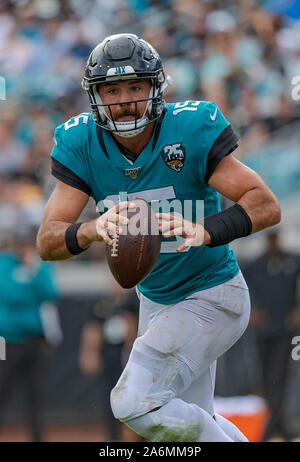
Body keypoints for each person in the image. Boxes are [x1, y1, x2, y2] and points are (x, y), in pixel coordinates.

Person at [37, 33, 281, 442]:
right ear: (95, 96)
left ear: (156, 87)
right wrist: (93, 229)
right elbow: (47, 239)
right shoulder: (81, 143)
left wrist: (207, 230)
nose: (125, 99)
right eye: (112, 89)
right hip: (155, 300)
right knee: (186, 422)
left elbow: (265, 203)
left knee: (134, 402)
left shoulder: (189, 127)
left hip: (212, 294)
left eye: (135, 86)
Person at [0, 224, 60, 442]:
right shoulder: (4, 263)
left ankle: (37, 437)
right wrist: (29, 288)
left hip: (33, 338)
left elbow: (51, 292)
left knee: (34, 394)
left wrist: (33, 270)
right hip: (5, 340)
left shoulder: (40, 265)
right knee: (1, 389)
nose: (23, 247)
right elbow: (8, 293)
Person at [243, 229, 300, 441]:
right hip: (264, 330)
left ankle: (273, 425)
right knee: (266, 376)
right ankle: (276, 423)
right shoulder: (255, 265)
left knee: (282, 375)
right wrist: (251, 310)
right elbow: (240, 287)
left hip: (286, 330)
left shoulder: (292, 261)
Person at [78, 280, 139, 442]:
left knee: (134, 395)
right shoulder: (101, 304)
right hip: (109, 353)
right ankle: (113, 435)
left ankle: (138, 436)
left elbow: (134, 328)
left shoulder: (134, 302)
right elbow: (93, 328)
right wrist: (89, 352)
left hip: (129, 353)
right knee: (108, 395)